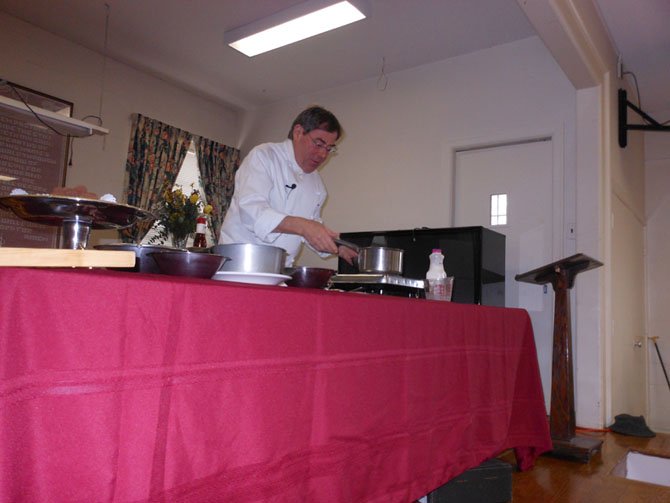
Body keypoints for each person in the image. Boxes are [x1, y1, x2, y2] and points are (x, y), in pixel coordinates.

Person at [218, 106, 358, 267]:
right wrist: (305, 226)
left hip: (280, 269)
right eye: (319, 144)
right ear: (298, 132)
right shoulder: (264, 156)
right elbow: (252, 210)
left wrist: (338, 247)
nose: (323, 155)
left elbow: (311, 228)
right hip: (239, 263)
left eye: (329, 148)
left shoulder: (316, 183)